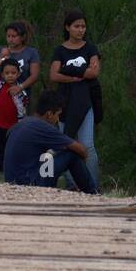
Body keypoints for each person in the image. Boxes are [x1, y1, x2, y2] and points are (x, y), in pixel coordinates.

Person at [3, 91, 97, 193]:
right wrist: (81, 161)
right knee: (72, 154)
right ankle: (92, 192)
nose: (58, 119)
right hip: (29, 183)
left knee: (50, 154)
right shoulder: (43, 127)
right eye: (58, 115)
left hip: (11, 181)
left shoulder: (21, 124)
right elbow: (82, 150)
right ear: (49, 114)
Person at [48, 10, 101, 188]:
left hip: (85, 102)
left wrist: (67, 69)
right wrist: (75, 76)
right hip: (64, 102)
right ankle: (72, 184)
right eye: (76, 26)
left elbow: (94, 72)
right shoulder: (60, 50)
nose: (80, 30)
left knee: (87, 145)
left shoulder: (90, 48)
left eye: (83, 26)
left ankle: (92, 185)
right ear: (67, 27)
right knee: (67, 141)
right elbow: (53, 75)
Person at [0, 21, 40, 167]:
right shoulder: (0, 50)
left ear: (22, 37)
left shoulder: (31, 53)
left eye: (14, 36)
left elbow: (34, 75)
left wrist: (21, 87)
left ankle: (15, 164)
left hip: (20, 99)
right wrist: (0, 57)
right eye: (8, 36)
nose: (11, 39)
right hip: (0, 96)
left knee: (17, 131)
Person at [0, 59, 27, 172]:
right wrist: (3, 59)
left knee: (10, 149)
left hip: (12, 126)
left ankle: (9, 170)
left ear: (18, 74)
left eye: (13, 73)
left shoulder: (20, 91)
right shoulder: (0, 84)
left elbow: (23, 110)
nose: (10, 76)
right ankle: (0, 170)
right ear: (2, 74)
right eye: (7, 73)